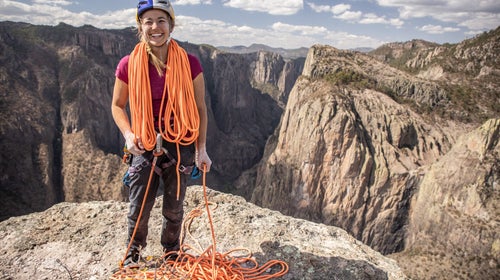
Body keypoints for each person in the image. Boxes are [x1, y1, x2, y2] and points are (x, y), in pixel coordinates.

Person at [111, 0, 212, 267]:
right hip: (143, 140)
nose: (155, 27)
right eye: (148, 22)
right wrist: (128, 134)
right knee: (139, 204)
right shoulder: (127, 65)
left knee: (174, 205)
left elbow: (200, 108)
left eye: (161, 21)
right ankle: (133, 251)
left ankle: (171, 250)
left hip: (180, 141)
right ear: (140, 27)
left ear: (171, 25)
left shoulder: (190, 63)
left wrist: (202, 149)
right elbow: (117, 106)